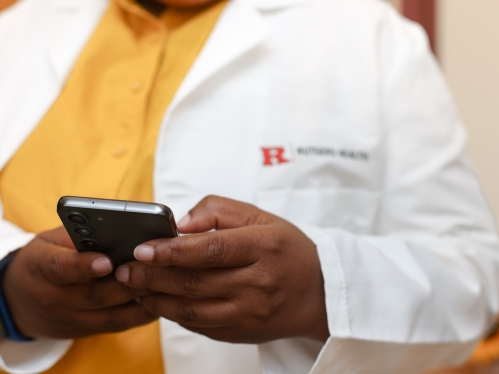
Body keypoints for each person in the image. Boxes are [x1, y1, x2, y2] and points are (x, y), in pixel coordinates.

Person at [0, 0, 498, 373]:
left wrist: (323, 290)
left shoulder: (373, 38)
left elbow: (477, 281)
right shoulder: (16, 31)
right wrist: (8, 293)